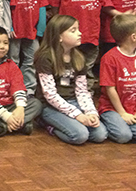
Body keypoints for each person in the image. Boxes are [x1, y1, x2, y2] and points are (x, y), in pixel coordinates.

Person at [35, 15, 108, 145]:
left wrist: (91, 113)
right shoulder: (45, 58)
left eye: (78, 29)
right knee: (80, 135)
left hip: (74, 101)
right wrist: (77, 115)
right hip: (51, 106)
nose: (79, 33)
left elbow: (82, 91)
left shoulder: (79, 58)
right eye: (73, 30)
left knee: (100, 135)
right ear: (59, 37)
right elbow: (50, 94)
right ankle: (48, 125)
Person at [98, 14, 136, 144]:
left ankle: (129, 124)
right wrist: (122, 113)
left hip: (134, 107)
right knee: (123, 136)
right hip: (112, 108)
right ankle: (108, 121)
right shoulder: (110, 58)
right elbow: (110, 88)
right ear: (133, 37)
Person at [4, 0, 48, 94]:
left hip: (32, 29)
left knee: (31, 60)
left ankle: (28, 89)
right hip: (15, 29)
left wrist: (41, 28)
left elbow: (42, 4)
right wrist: (8, 26)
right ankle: (13, 88)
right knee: (13, 60)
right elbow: (6, 6)